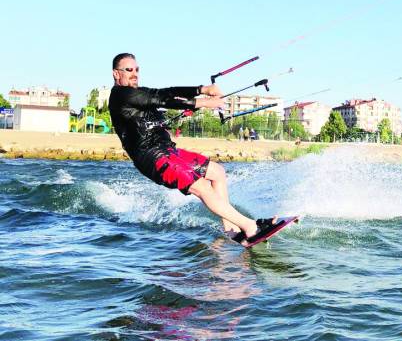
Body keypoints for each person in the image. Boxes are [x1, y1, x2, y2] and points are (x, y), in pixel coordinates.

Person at [108, 53, 277, 246]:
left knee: (217, 172)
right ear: (116, 73)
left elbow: (168, 93)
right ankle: (250, 227)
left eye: (137, 69)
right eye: (128, 70)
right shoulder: (121, 95)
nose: (134, 74)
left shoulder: (137, 95)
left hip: (168, 151)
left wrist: (201, 89)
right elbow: (160, 98)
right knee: (202, 186)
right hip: (153, 157)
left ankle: (231, 230)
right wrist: (204, 101)